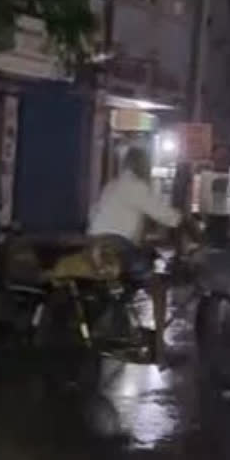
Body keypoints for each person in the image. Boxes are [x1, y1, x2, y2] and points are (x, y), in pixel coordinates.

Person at [88, 147, 185, 351]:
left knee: (125, 285)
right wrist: (184, 219)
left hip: (95, 244)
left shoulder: (112, 185)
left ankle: (120, 326)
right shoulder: (136, 186)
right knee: (157, 287)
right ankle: (160, 349)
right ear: (143, 165)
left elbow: (97, 215)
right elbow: (167, 216)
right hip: (116, 246)